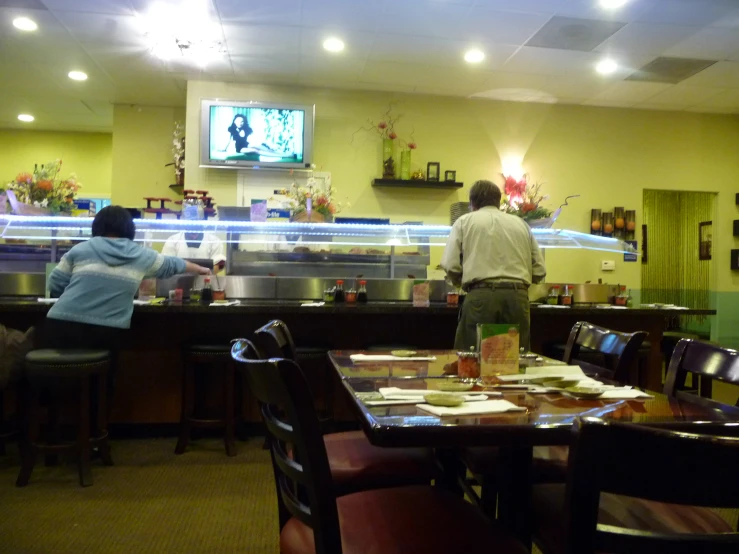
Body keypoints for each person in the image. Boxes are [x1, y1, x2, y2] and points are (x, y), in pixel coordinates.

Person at [43, 206, 211, 394]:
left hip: (60, 324)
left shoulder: (81, 248)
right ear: (130, 229)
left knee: (57, 385)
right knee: (102, 384)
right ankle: (98, 419)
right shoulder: (139, 254)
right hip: (105, 330)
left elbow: (55, 283)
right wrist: (201, 270)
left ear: (97, 227)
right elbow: (174, 264)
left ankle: (56, 417)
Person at [440, 180, 546, 351]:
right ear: (498, 201)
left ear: (472, 203)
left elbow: (451, 265)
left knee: (473, 357)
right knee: (514, 359)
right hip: (517, 298)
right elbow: (540, 270)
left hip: (480, 296)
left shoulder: (464, 222)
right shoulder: (521, 224)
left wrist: (460, 282)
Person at [162, 208, 226, 270]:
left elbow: (219, 263)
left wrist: (208, 274)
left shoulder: (214, 242)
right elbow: (167, 264)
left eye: (196, 221)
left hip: (206, 279)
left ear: (202, 221)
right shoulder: (173, 240)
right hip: (177, 279)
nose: (193, 224)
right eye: (190, 221)